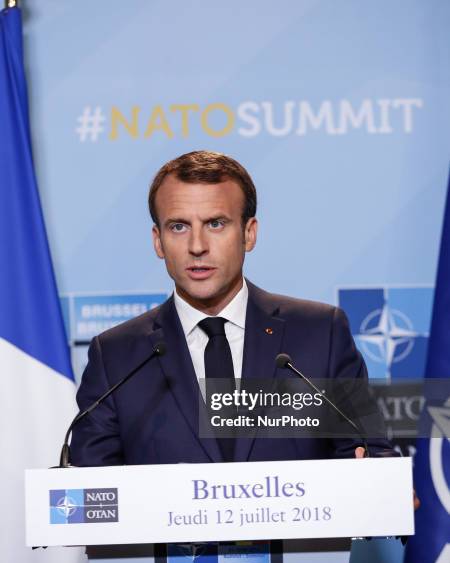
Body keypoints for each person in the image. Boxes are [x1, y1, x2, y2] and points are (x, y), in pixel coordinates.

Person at [70, 150, 396, 466]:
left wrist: (383, 484)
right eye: (179, 227)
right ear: (158, 241)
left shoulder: (320, 334)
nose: (197, 246)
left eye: (216, 224)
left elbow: (366, 452)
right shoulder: (116, 357)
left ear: (248, 234)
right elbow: (89, 490)